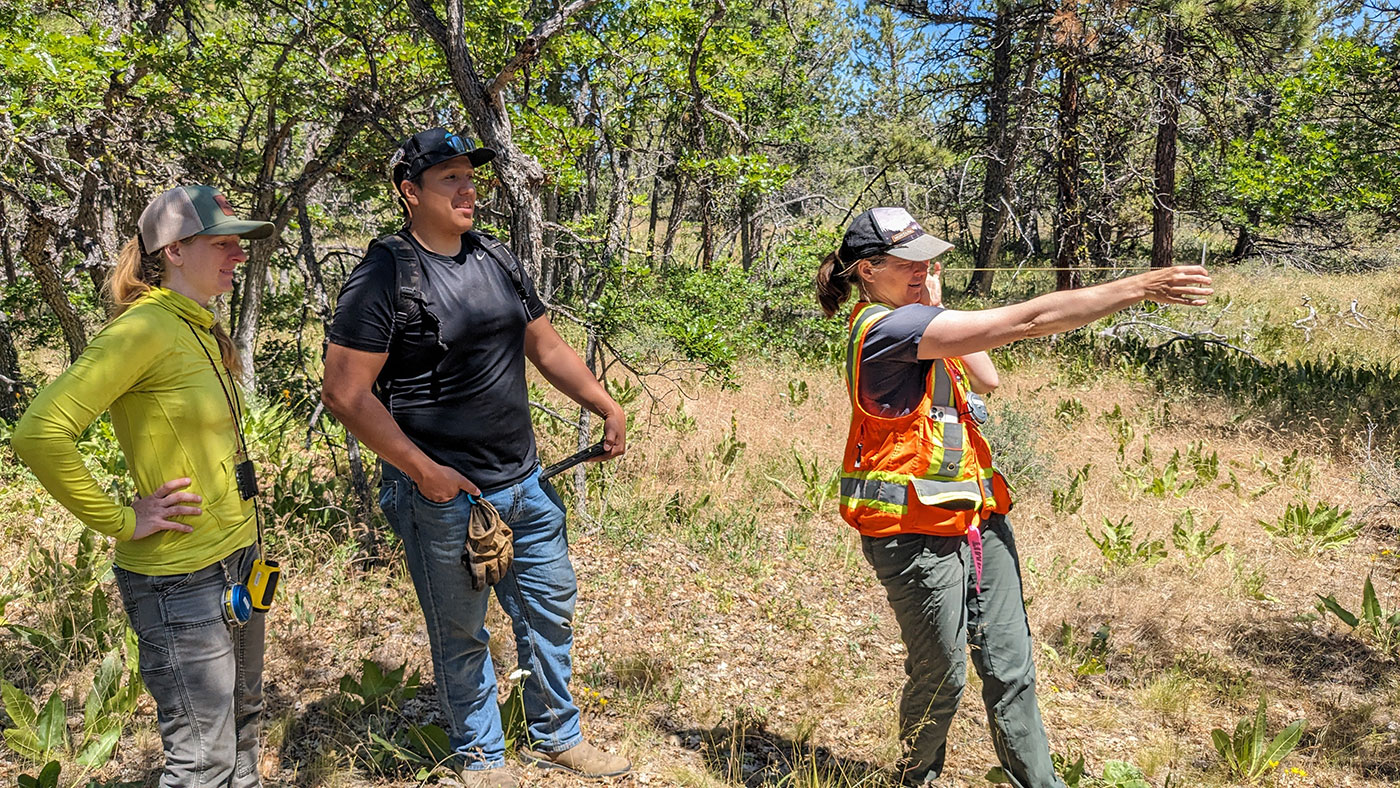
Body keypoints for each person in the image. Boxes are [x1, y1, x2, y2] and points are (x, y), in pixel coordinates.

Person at [815, 207, 1213, 787]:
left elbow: (987, 377)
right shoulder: (885, 330)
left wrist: (932, 300)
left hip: (976, 522)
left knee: (1011, 665)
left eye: (931, 260)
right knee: (943, 674)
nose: (925, 270)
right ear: (868, 271)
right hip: (913, 536)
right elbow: (1026, 322)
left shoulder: (922, 326)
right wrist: (1138, 287)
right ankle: (914, 777)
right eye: (910, 263)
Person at [320, 128, 629, 787]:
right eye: (450, 179)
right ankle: (483, 759)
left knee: (549, 610)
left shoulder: (493, 254)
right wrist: (425, 473)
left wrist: (607, 405)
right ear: (410, 193)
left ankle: (557, 736)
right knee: (462, 634)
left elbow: (545, 346)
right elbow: (345, 393)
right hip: (443, 497)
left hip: (525, 482)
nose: (468, 189)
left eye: (471, 176)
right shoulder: (384, 272)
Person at [12, 185, 275, 787]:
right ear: (175, 251)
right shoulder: (145, 329)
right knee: (203, 757)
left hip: (237, 558)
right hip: (181, 577)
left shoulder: (199, 325)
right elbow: (37, 432)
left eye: (240, 244)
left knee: (243, 726)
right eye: (224, 243)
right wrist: (122, 520)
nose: (239, 255)